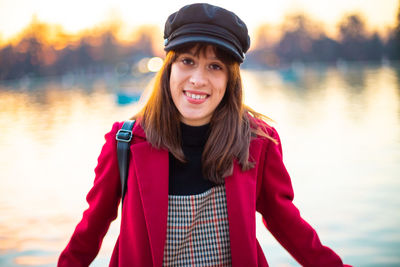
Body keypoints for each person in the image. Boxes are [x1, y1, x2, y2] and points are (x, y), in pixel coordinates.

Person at [58, 3, 352, 267]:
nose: (198, 79)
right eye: (187, 61)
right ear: (169, 68)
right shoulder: (124, 142)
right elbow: (91, 229)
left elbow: (287, 223)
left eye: (215, 66)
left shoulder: (258, 142)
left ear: (230, 79)